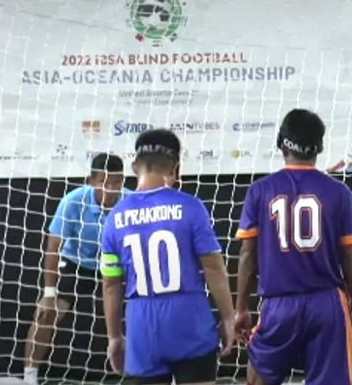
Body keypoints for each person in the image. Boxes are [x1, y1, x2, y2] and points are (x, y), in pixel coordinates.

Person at [234, 108, 352, 385]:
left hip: (279, 304)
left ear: (282, 145)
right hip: (327, 303)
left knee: (257, 376)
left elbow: (248, 254)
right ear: (319, 147)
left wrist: (241, 308)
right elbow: (351, 256)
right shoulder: (338, 191)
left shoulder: (260, 190)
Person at [100, 128, 235, 384]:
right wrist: (228, 318)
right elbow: (214, 267)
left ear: (134, 167)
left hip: (142, 326)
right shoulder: (191, 207)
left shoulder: (115, 217)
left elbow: (111, 284)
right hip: (190, 319)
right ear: (175, 169)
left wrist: (114, 337)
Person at [24, 153, 128, 385]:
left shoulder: (131, 202)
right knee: (46, 314)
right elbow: (53, 247)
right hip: (77, 264)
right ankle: (29, 377)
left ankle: (148, 374)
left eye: (117, 182)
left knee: (145, 312)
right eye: (104, 182)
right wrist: (48, 294)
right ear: (91, 181)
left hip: (117, 267)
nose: (111, 189)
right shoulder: (73, 201)